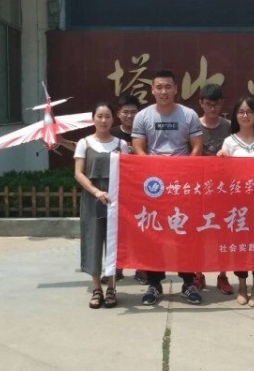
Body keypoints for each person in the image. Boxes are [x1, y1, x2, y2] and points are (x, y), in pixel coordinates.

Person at [131, 69, 204, 305]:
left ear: (175, 89)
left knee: (185, 233)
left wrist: (184, 171)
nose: (164, 91)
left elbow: (197, 146)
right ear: (152, 90)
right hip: (154, 185)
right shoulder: (142, 116)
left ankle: (188, 283)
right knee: (153, 235)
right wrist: (153, 170)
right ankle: (154, 283)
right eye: (159, 87)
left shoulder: (189, 114)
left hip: (182, 184)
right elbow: (138, 147)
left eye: (168, 87)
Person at [219, 96, 254, 307]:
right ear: (235, 116)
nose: (245, 116)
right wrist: (221, 159)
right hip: (238, 203)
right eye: (241, 112)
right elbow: (224, 174)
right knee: (240, 245)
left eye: (249, 112)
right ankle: (242, 286)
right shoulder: (229, 141)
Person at [74, 102, 127, 309]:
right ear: (93, 118)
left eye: (107, 116)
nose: (103, 120)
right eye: (99, 116)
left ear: (113, 119)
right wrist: (96, 191)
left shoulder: (121, 144)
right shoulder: (84, 143)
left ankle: (112, 287)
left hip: (116, 200)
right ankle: (97, 288)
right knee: (93, 240)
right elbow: (79, 173)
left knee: (114, 243)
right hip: (92, 198)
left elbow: (128, 172)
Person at [196, 83, 234, 295]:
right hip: (199, 188)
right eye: (209, 103)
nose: (213, 108)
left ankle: (222, 275)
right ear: (201, 103)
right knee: (198, 234)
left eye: (217, 104)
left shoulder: (229, 126)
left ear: (222, 104)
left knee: (223, 234)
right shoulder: (193, 125)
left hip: (223, 189)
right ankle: (198, 274)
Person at [108, 94, 147, 285]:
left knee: (142, 229)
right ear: (118, 114)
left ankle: (142, 268)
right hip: (118, 188)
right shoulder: (111, 133)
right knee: (118, 229)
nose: (130, 116)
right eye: (126, 112)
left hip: (142, 188)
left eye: (133, 112)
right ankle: (117, 267)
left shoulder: (145, 132)